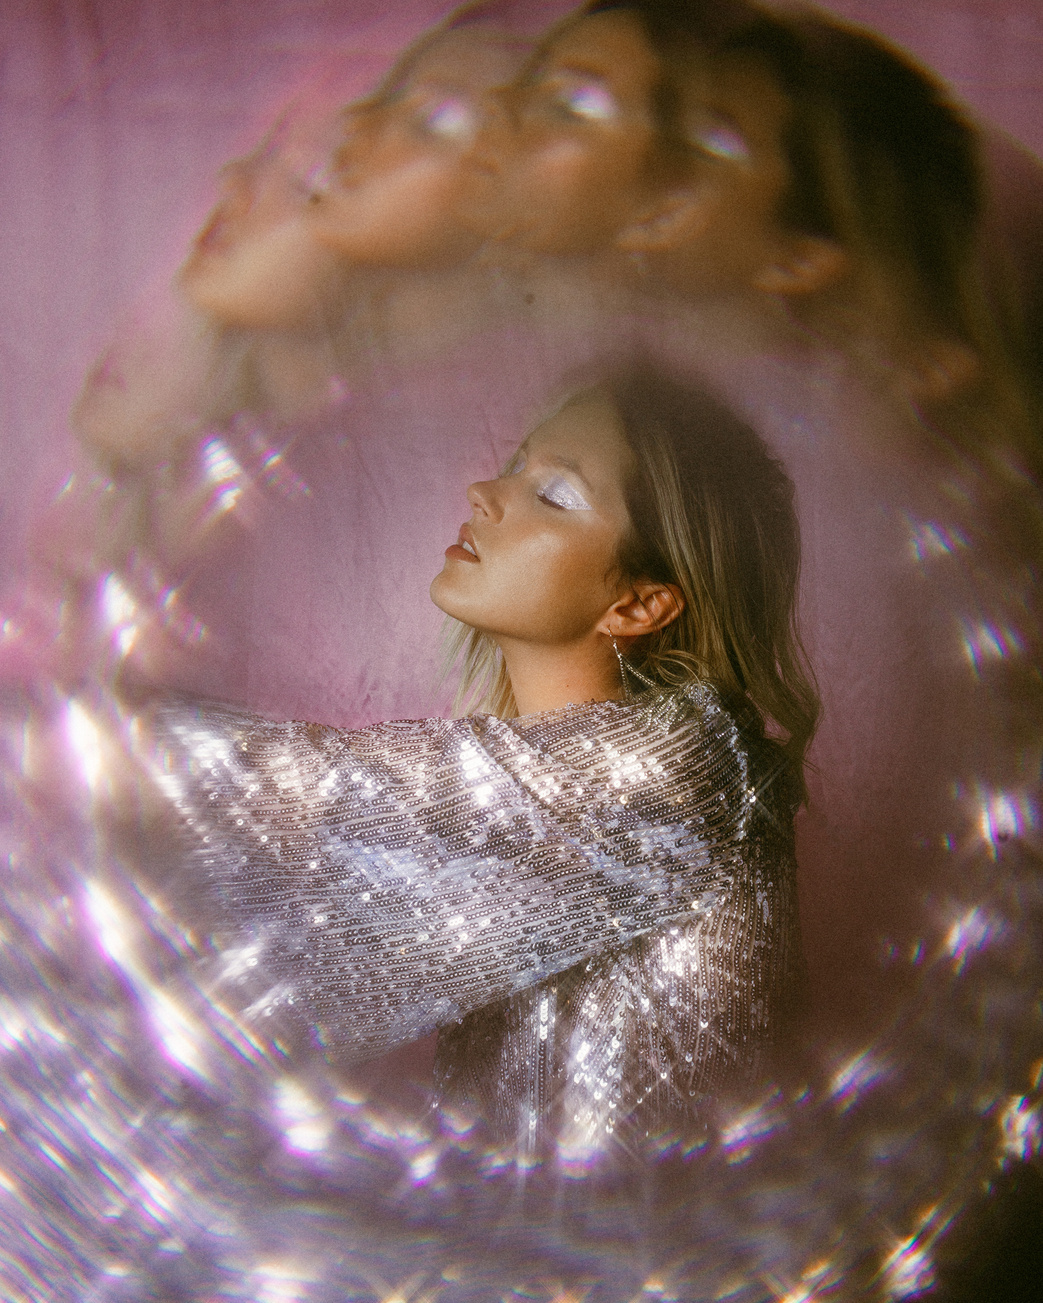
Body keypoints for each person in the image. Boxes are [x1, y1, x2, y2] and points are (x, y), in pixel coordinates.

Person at [111, 361, 817, 1160]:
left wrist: (78, 734)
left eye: (555, 493)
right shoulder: (559, 796)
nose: (488, 490)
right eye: (518, 463)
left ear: (638, 603)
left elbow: (323, 807)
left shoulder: (689, 767)